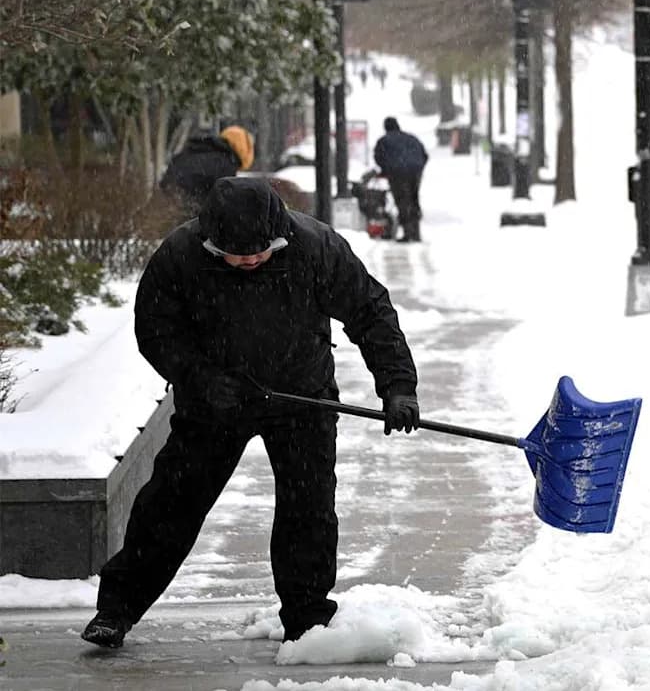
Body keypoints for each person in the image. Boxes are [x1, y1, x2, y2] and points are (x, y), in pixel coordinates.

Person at [81, 177, 422, 650]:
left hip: (302, 397)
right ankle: (116, 609)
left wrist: (398, 386)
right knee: (170, 505)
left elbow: (370, 311)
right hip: (215, 403)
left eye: (258, 253)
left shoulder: (316, 247)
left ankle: (307, 622)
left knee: (309, 511)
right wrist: (198, 377)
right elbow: (155, 329)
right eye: (235, 255)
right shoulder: (180, 255)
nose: (248, 261)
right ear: (211, 240)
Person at [159, 124, 255, 219]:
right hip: (187, 213)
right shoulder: (225, 164)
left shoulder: (195, 150)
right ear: (244, 149)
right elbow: (223, 203)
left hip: (164, 209)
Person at [373, 116, 428, 243]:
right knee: (414, 200)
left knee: (403, 201)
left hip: (397, 173)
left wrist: (386, 169)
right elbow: (424, 155)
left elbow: (378, 157)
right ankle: (416, 233)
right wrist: (417, 169)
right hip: (415, 171)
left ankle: (408, 233)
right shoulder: (411, 138)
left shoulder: (384, 140)